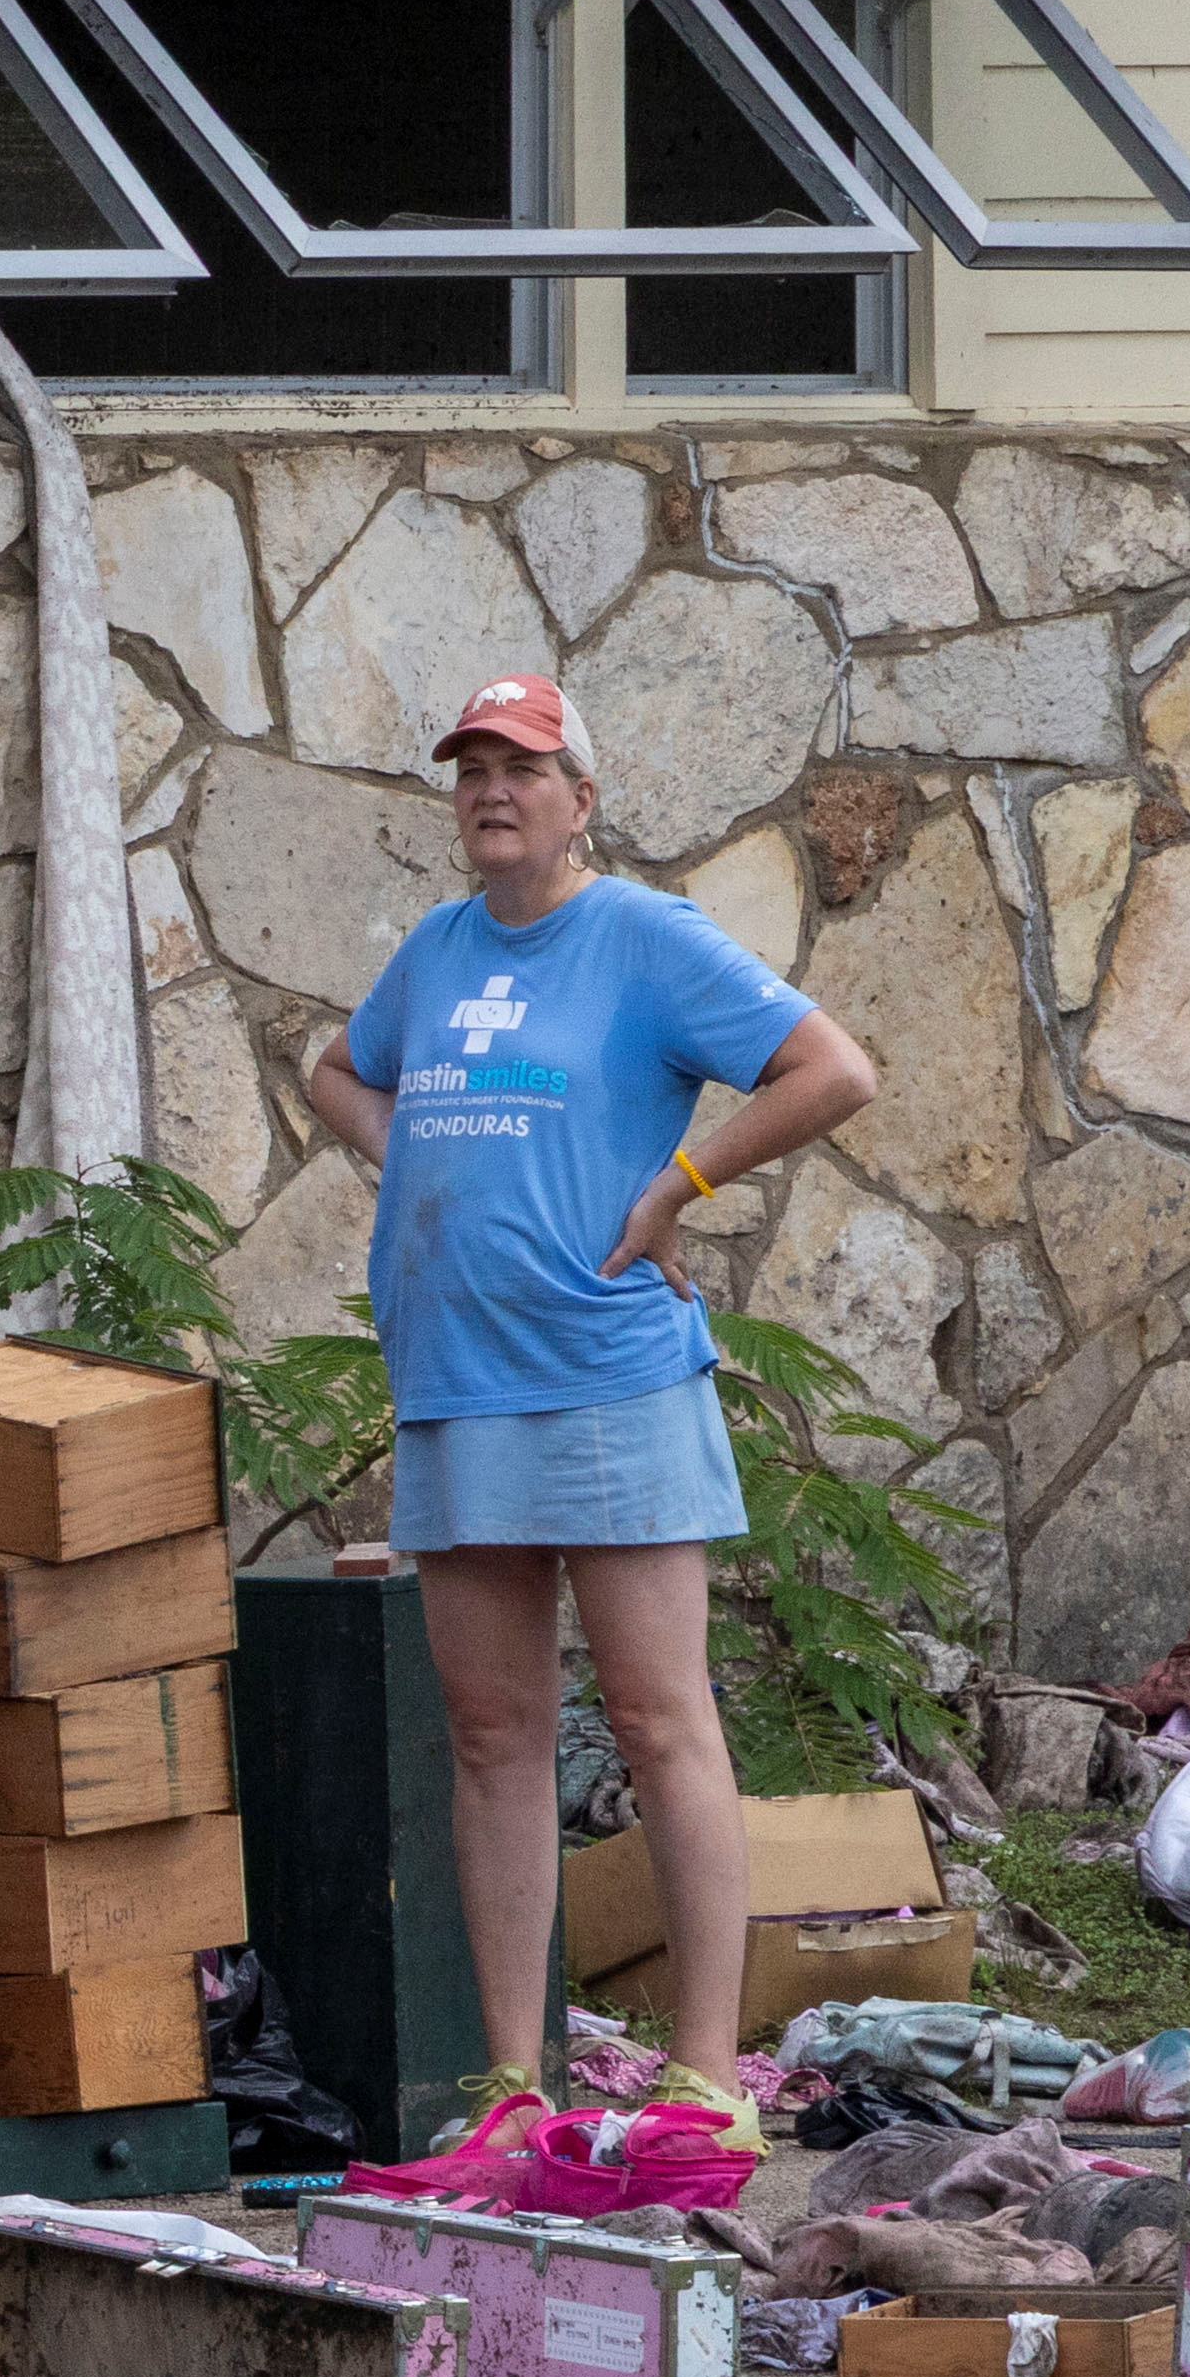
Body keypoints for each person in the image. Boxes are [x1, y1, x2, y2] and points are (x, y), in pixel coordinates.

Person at [293, 670, 882, 2120]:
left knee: (655, 1716)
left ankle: (700, 2073)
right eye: (468, 766)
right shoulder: (430, 954)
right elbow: (332, 1070)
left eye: (521, 766)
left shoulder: (634, 935)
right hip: (454, 1381)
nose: (490, 789)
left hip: (604, 1374)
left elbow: (829, 1068)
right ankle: (510, 2079)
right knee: (489, 1736)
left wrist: (677, 1184)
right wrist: (420, 1158)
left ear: (579, 800)